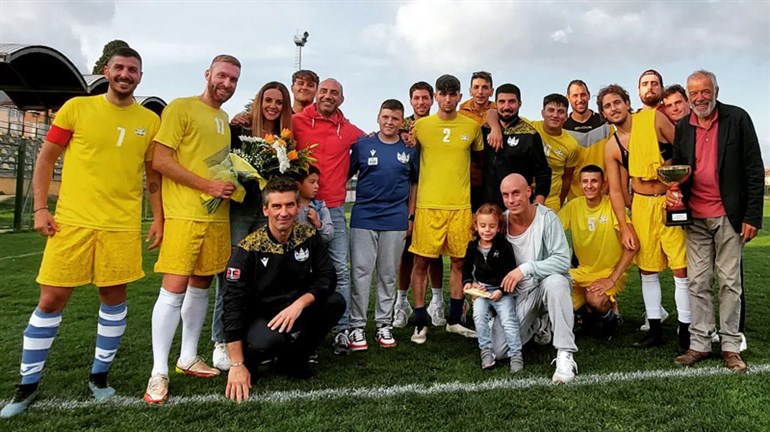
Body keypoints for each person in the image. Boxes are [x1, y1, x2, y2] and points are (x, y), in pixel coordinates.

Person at [1, 47, 162, 418]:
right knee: (51, 300)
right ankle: (26, 387)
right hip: (71, 223)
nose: (125, 74)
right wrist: (41, 208)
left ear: (140, 76)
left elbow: (152, 175)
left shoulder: (149, 121)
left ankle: (99, 377)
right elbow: (46, 158)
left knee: (114, 301)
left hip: (120, 226)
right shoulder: (77, 107)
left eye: (133, 70)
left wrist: (158, 218)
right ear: (107, 71)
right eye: (119, 68)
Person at [144, 55, 241, 404]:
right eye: (222, 76)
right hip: (184, 215)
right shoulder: (180, 108)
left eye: (233, 80)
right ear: (208, 74)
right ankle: (159, 371)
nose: (227, 84)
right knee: (173, 290)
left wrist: (231, 183)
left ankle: (188, 357)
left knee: (201, 286)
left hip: (216, 217)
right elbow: (159, 160)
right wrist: (207, 186)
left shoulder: (224, 118)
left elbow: (217, 163)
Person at [671, 70, 764, 372]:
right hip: (694, 217)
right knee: (697, 282)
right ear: (687, 96)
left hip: (729, 215)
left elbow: (753, 169)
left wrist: (752, 216)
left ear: (716, 91)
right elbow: (679, 167)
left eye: (705, 91)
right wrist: (674, 192)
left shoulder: (737, 119)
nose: (699, 98)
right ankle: (699, 344)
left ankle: (730, 346)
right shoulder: (683, 126)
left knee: (729, 283)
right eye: (693, 93)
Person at [222, 177, 342, 403]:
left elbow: (328, 276)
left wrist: (300, 304)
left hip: (294, 309)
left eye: (289, 205)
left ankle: (295, 360)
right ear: (265, 209)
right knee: (266, 342)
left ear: (298, 208)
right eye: (276, 206)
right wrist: (236, 364)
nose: (283, 212)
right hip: (262, 317)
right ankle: (258, 356)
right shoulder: (247, 249)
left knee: (335, 302)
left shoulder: (308, 237)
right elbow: (233, 306)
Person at [598, 83, 691, 352]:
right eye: (607, 106)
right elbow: (615, 191)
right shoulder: (611, 146)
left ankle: (686, 330)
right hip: (641, 205)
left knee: (680, 267)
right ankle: (655, 328)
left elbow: (685, 151)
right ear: (603, 113)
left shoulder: (652, 119)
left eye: (617, 102)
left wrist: (678, 189)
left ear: (627, 102)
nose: (613, 108)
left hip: (669, 200)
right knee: (647, 269)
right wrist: (625, 224)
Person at [211, 81, 293, 371]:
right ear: (258, 102)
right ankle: (221, 340)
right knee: (231, 276)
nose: (273, 106)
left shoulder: (285, 140)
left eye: (279, 102)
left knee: (265, 278)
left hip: (268, 215)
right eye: (268, 100)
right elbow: (224, 165)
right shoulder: (241, 130)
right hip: (241, 212)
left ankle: (251, 337)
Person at [409, 74, 483, 343]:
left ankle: (454, 320)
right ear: (436, 96)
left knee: (460, 263)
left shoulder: (473, 127)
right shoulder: (421, 127)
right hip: (428, 206)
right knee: (421, 262)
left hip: (460, 207)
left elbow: (477, 165)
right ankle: (420, 322)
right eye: (443, 94)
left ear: (460, 96)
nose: (449, 99)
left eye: (454, 94)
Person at [293, 78, 365, 354]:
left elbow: (376, 138)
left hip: (333, 208)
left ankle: (342, 330)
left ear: (341, 99)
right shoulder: (297, 121)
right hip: (300, 207)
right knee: (298, 269)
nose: (328, 96)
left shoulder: (348, 130)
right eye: (323, 91)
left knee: (340, 270)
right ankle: (297, 327)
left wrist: (406, 133)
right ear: (315, 94)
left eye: (334, 93)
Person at [492, 174, 578, 384]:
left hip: (544, 286)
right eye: (506, 195)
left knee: (556, 281)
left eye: (516, 193)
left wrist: (526, 268)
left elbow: (562, 261)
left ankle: (565, 354)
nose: (511, 200)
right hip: (519, 295)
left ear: (528, 192)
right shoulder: (500, 224)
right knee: (499, 350)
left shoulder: (547, 218)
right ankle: (540, 323)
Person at [348, 99, 419, 350]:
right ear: (378, 117)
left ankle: (383, 324)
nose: (389, 122)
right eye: (386, 117)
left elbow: (414, 183)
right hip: (364, 218)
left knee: (388, 274)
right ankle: (356, 326)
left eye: (395, 118)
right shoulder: (363, 145)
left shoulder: (409, 149)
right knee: (361, 272)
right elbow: (345, 173)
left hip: (395, 219)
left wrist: (410, 216)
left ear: (402, 122)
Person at [559, 165, 638, 340]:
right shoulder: (574, 206)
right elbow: (553, 229)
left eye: (594, 181)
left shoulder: (613, 206)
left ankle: (612, 319)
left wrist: (611, 279)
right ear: (580, 184)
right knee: (555, 293)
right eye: (585, 181)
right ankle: (587, 314)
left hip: (609, 272)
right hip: (584, 270)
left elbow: (633, 246)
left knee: (594, 299)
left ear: (603, 184)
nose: (589, 186)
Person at [394, 81, 444, 329]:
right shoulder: (401, 126)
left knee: (433, 252)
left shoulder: (437, 125)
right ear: (410, 100)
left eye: (425, 98)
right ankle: (401, 302)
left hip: (433, 193)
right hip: (406, 193)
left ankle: (437, 301)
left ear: (432, 100)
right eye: (417, 98)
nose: (421, 102)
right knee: (406, 251)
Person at [462, 204, 522, 372]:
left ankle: (516, 355)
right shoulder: (472, 247)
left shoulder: (504, 247)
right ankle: (486, 352)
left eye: (492, 226)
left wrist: (502, 291)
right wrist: (468, 283)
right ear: (476, 226)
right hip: (482, 291)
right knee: (479, 317)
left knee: (509, 320)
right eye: (482, 226)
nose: (487, 230)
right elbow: (466, 269)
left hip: (501, 290)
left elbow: (510, 271)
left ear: (499, 227)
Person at [480, 83, 551, 209]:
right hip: (488, 209)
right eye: (502, 102)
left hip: (519, 207)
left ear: (519, 104)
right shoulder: (484, 131)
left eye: (511, 102)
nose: (506, 106)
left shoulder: (530, 135)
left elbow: (543, 172)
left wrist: (539, 203)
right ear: (496, 104)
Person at [563, 80, 612, 200]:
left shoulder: (604, 123)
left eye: (583, 94)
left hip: (603, 195)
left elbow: (614, 160)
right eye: (575, 95)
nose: (580, 99)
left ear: (589, 95)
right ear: (568, 98)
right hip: (575, 199)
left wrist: (608, 186)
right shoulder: (563, 128)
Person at [530, 94, 580, 212]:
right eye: (551, 110)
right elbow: (494, 114)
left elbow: (567, 178)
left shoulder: (571, 145)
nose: (555, 115)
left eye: (560, 112)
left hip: (551, 201)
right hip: (523, 196)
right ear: (542, 113)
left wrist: (560, 201)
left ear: (567, 116)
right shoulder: (528, 127)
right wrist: (495, 129)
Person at [459, 71, 496, 212]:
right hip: (469, 172)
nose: (480, 92)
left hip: (492, 172)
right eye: (476, 87)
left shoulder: (499, 111)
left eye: (485, 87)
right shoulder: (461, 113)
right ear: (470, 91)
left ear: (491, 91)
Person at [296, 165, 333, 243]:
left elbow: (329, 235)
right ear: (298, 185)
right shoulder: (290, 208)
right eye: (312, 182)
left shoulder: (320, 207)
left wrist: (318, 223)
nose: (317, 186)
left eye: (317, 182)